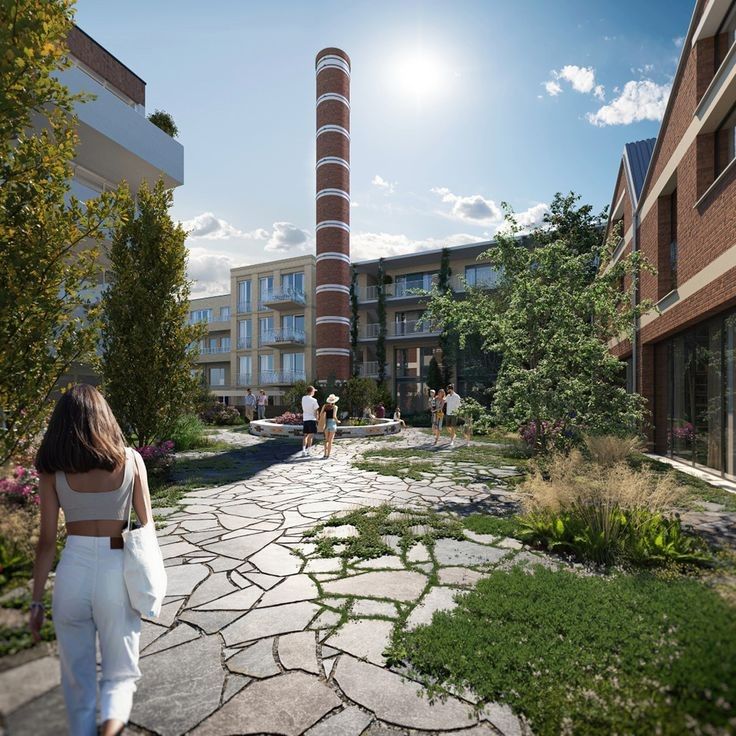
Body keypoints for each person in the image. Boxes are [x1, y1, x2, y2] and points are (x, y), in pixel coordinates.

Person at [31, 384, 155, 736]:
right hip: (117, 573)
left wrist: (36, 602)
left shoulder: (53, 471)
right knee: (120, 674)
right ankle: (111, 730)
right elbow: (147, 527)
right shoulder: (132, 460)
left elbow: (46, 543)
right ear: (104, 418)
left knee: (77, 681)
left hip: (73, 570)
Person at [318, 393, 341, 458]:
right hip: (332, 424)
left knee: (326, 440)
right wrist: (338, 421)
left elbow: (321, 414)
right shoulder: (335, 407)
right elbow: (334, 416)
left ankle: (325, 454)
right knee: (330, 441)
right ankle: (328, 455)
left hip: (326, 423)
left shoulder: (324, 406)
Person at [301, 385, 319, 457]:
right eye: (314, 391)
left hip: (305, 419)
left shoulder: (303, 398)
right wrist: (317, 419)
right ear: (311, 391)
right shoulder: (314, 400)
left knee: (305, 435)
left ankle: (303, 450)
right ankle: (309, 451)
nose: (314, 392)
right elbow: (316, 411)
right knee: (310, 436)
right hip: (312, 419)